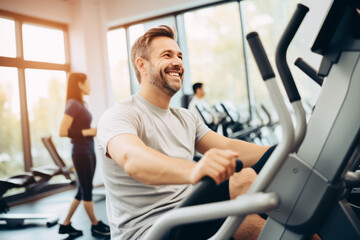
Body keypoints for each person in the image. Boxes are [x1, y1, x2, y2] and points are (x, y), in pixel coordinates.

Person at [97, 25, 272, 240]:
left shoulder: (185, 117)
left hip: (187, 214)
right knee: (241, 179)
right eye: (167, 55)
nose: (178, 62)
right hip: (150, 231)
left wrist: (280, 151)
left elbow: (228, 146)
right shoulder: (120, 114)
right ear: (142, 65)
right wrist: (194, 170)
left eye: (179, 56)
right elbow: (132, 159)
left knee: (246, 214)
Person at [58, 72, 110, 237]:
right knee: (87, 191)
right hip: (81, 153)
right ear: (79, 84)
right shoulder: (73, 104)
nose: (90, 86)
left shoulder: (80, 104)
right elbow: (62, 131)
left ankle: (65, 224)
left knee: (82, 192)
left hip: (87, 150)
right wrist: (89, 131)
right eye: (87, 82)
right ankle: (95, 224)